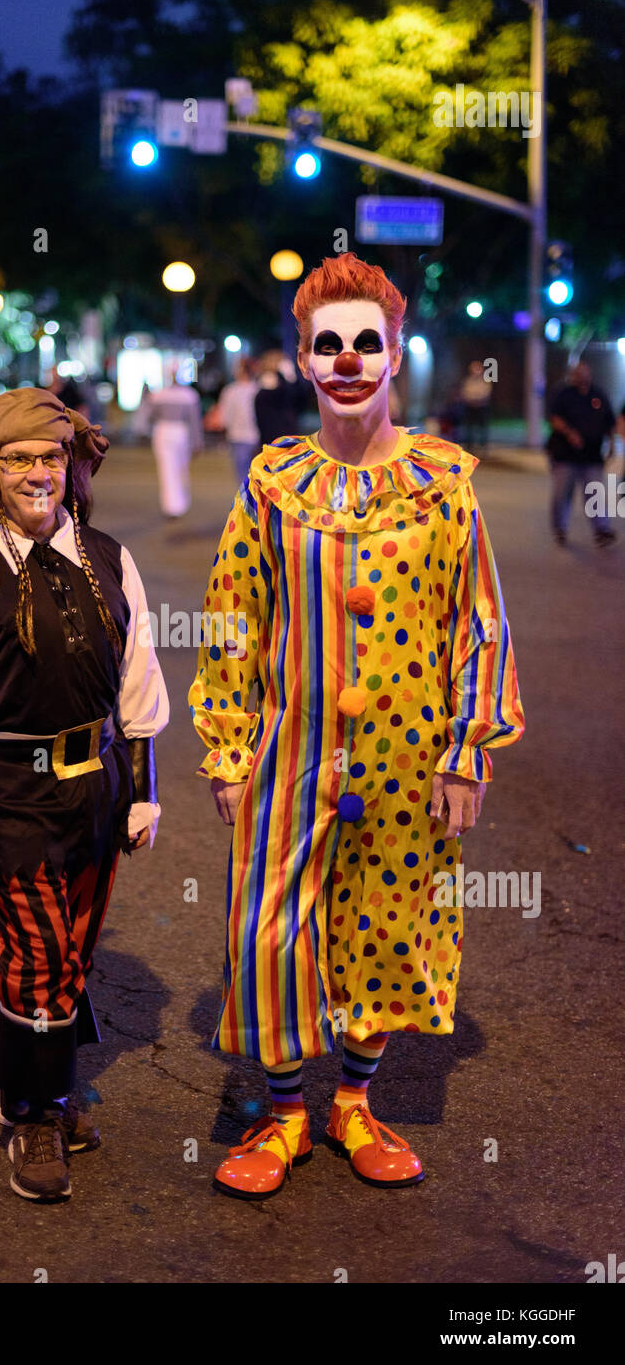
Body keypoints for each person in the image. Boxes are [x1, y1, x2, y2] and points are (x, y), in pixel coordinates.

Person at [188, 252, 525, 1199]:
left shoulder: (442, 483)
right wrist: (224, 740)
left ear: (394, 353)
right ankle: (284, 1111)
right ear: (301, 360)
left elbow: (480, 622)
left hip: (407, 754)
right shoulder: (272, 481)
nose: (345, 361)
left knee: (384, 926)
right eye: (325, 345)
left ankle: (354, 1103)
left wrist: (467, 752)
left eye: (364, 344)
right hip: (287, 750)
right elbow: (231, 617)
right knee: (272, 930)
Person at [0, 388, 169, 1202]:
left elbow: (139, 679)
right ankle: (33, 1114)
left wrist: (143, 788)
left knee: (71, 953)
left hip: (96, 791)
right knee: (38, 955)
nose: (37, 474)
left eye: (51, 458)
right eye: (18, 460)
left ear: (70, 467)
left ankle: (54, 1081)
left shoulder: (111, 557)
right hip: (4, 794)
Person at [546, 361, 616, 548]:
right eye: (578, 373)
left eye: (585, 373)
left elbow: (609, 421)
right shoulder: (563, 394)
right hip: (565, 455)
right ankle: (560, 528)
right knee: (562, 495)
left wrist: (611, 445)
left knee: (594, 494)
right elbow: (554, 418)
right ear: (573, 375)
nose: (582, 376)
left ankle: (601, 529)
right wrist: (570, 433)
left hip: (592, 456)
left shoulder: (598, 395)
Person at [144, 371, 203, 519]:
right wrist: (197, 442)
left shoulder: (159, 395)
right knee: (182, 467)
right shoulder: (190, 395)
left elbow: (149, 416)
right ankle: (181, 503)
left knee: (167, 469)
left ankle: (172, 506)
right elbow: (195, 421)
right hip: (181, 432)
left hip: (163, 431)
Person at [213, 358, 261, 484]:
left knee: (242, 476)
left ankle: (247, 501)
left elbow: (225, 416)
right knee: (256, 474)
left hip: (238, 436)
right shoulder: (258, 389)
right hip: (256, 436)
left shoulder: (231, 391)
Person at [459, 360, 493, 452]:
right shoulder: (468, 381)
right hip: (470, 407)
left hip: (481, 407)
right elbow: (465, 393)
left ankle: (483, 446)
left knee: (483, 428)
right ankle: (469, 446)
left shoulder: (485, 381)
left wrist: (477, 398)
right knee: (469, 428)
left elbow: (485, 393)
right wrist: (472, 398)